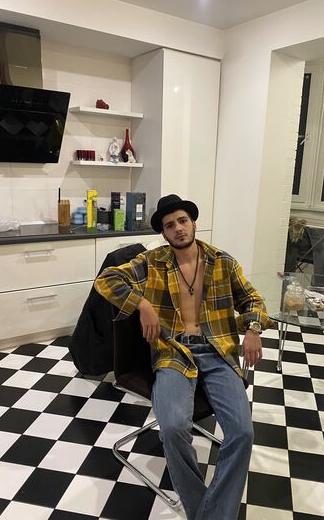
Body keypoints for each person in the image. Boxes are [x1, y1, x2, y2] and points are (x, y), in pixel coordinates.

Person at [94, 194, 273, 520]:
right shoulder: (152, 262)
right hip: (173, 353)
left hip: (218, 351)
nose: (177, 228)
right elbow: (106, 279)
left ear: (193, 224)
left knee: (243, 433)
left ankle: (209, 515)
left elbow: (253, 300)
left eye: (182, 221)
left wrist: (254, 328)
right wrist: (142, 304)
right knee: (174, 427)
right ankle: (208, 513)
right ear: (164, 233)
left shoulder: (223, 262)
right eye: (169, 225)